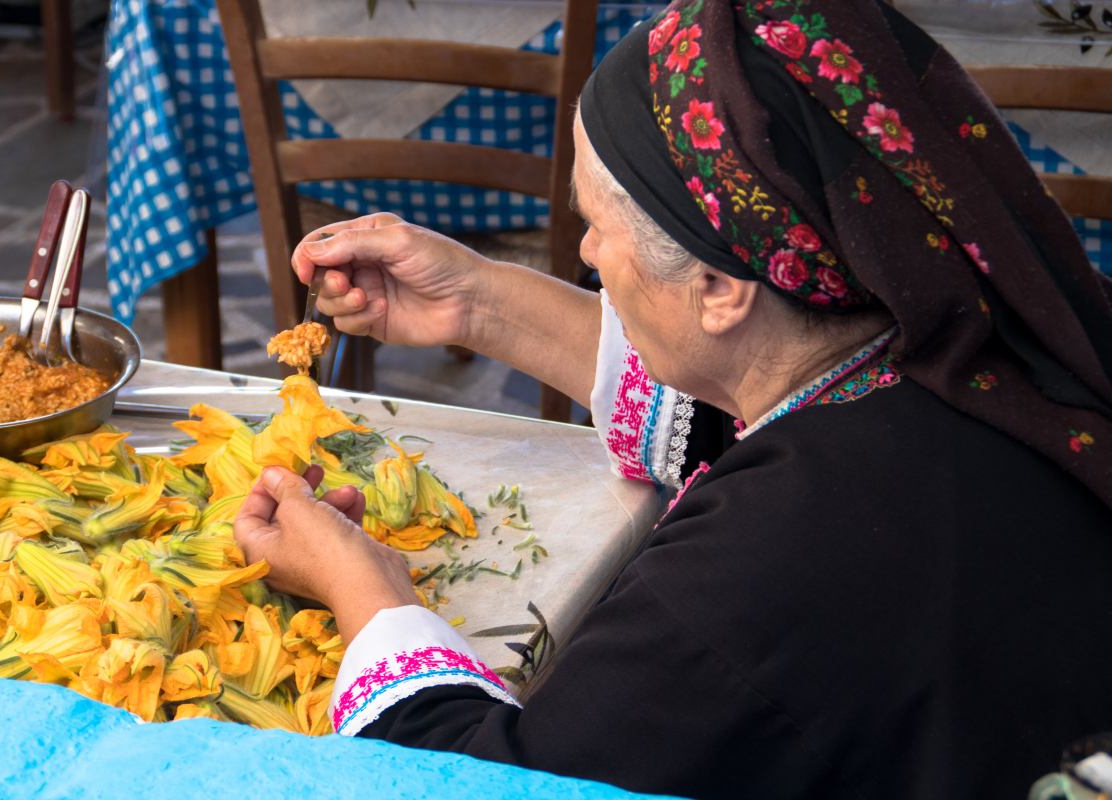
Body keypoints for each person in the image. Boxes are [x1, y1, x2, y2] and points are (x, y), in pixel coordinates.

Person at [233, 0, 1112, 796]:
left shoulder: (765, 565)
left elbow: (489, 785)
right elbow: (736, 402)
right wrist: (477, 301)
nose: (584, 254)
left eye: (599, 229)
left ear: (722, 286)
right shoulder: (962, 355)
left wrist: (370, 593)